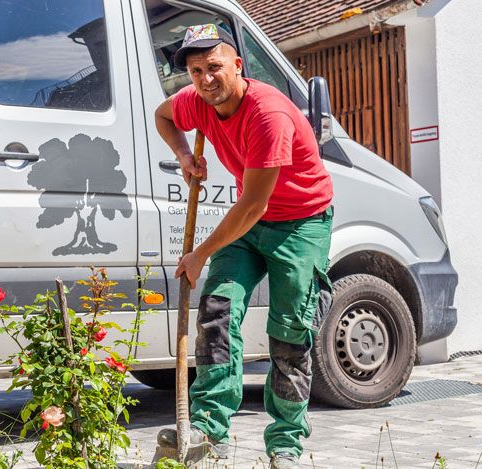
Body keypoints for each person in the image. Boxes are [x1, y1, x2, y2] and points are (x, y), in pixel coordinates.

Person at [154, 24, 334, 469]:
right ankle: (207, 431)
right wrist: (183, 155)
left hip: (300, 223)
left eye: (213, 67)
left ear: (237, 64)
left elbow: (254, 203)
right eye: (195, 71)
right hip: (250, 226)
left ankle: (286, 444)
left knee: (290, 334)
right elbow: (163, 115)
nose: (204, 79)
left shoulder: (267, 113)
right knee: (216, 312)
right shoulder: (197, 102)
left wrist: (200, 253)